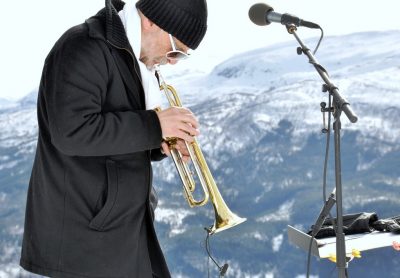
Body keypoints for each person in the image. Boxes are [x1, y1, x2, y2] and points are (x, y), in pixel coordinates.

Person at [19, 0, 208, 277]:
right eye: (175, 50)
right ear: (151, 21)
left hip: (123, 231)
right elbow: (71, 132)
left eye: (180, 56)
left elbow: (117, 135)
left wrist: (161, 143)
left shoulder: (131, 57)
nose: (172, 62)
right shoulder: (82, 47)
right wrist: (155, 125)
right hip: (85, 242)